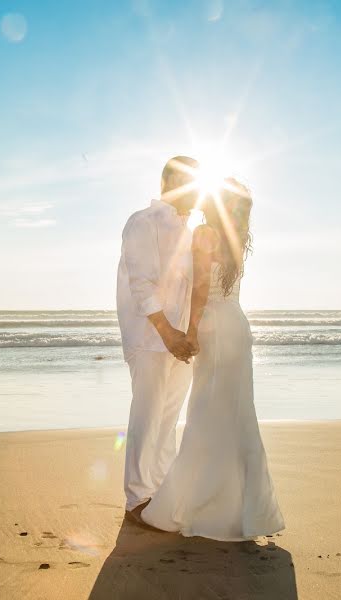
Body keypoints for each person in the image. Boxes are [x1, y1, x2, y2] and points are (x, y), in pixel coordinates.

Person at [140, 178, 285, 541]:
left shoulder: (206, 234)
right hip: (237, 324)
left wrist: (190, 331)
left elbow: (202, 289)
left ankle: (198, 507)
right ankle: (241, 512)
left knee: (206, 414)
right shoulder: (238, 237)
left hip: (215, 326)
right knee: (236, 415)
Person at [116, 155, 201, 520]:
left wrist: (188, 335)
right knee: (147, 416)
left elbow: (190, 287)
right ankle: (137, 499)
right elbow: (142, 284)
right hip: (151, 339)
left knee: (168, 420)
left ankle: (161, 492)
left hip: (179, 343)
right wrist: (167, 333)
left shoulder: (188, 230)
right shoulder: (142, 221)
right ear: (169, 183)